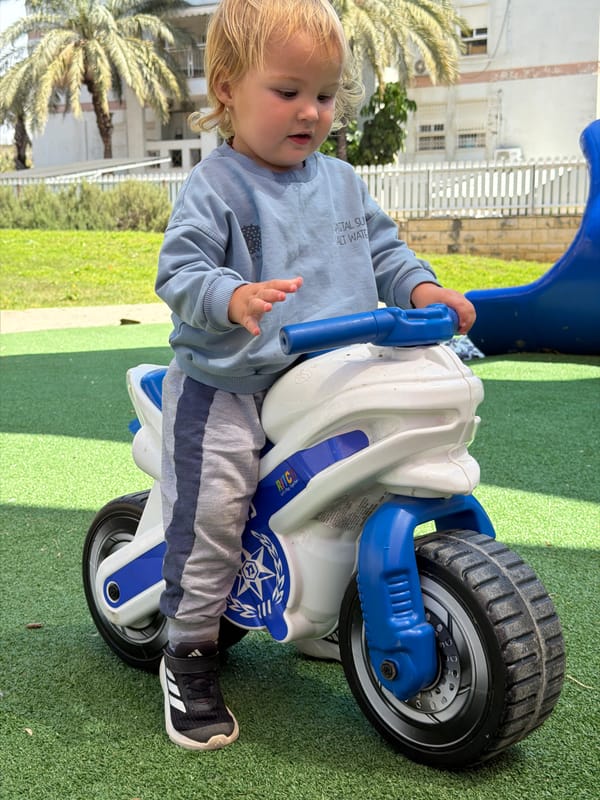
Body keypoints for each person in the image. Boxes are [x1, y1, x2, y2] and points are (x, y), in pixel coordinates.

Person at [155, 0, 476, 752]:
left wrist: (424, 291)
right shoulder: (217, 188)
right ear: (228, 87)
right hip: (232, 380)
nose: (311, 111)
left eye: (326, 95)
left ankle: (330, 608)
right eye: (289, 90)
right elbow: (180, 270)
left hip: (329, 374)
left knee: (362, 482)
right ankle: (191, 649)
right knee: (218, 506)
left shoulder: (339, 181)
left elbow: (387, 254)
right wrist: (230, 297)